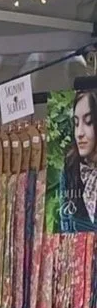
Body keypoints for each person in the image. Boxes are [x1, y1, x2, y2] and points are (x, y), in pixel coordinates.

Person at [62, 90, 97, 232]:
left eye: (88, 122)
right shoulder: (70, 168)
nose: (79, 133)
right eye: (76, 123)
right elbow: (65, 226)